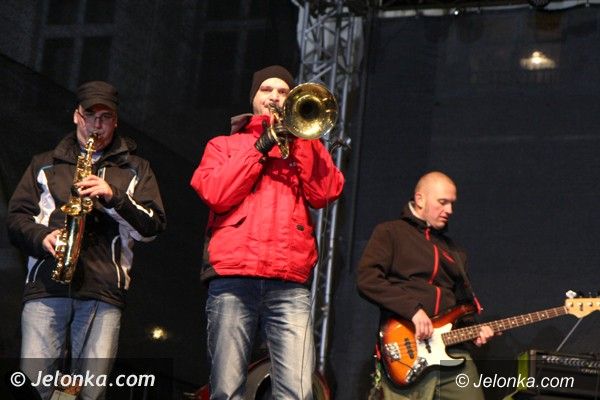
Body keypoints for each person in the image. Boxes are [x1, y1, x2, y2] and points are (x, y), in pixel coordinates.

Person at [190, 65, 344, 400]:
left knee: (297, 391)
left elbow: (325, 192)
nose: (274, 97)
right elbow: (216, 193)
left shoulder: (306, 146)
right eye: (266, 90)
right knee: (226, 390)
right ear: (254, 97)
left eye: (283, 92)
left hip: (288, 280)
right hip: (233, 276)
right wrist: (261, 145)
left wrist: (304, 143)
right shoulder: (223, 145)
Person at [6, 81, 167, 400]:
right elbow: (16, 219)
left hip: (102, 291)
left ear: (115, 121)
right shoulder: (44, 163)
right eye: (90, 115)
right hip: (46, 286)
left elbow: (152, 227)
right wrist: (43, 237)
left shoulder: (136, 168)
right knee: (34, 389)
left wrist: (113, 196)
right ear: (76, 116)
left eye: (105, 117)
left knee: (91, 392)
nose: (96, 125)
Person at [357, 171, 494, 400]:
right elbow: (367, 279)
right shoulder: (390, 232)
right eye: (443, 202)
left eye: (452, 203)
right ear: (420, 199)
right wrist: (413, 310)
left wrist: (474, 330)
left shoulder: (455, 252)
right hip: (407, 351)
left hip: (452, 351)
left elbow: (462, 303)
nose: (449, 210)